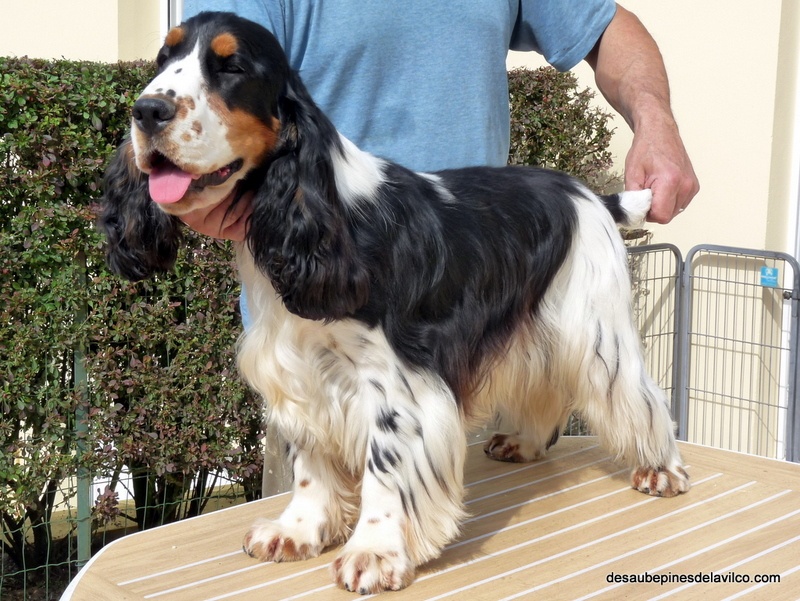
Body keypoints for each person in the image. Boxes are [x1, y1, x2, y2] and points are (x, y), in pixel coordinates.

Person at [179, 1, 698, 243]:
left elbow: (608, 29)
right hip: (328, 324)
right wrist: (203, 191)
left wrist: (657, 124)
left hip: (479, 316)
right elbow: (207, 94)